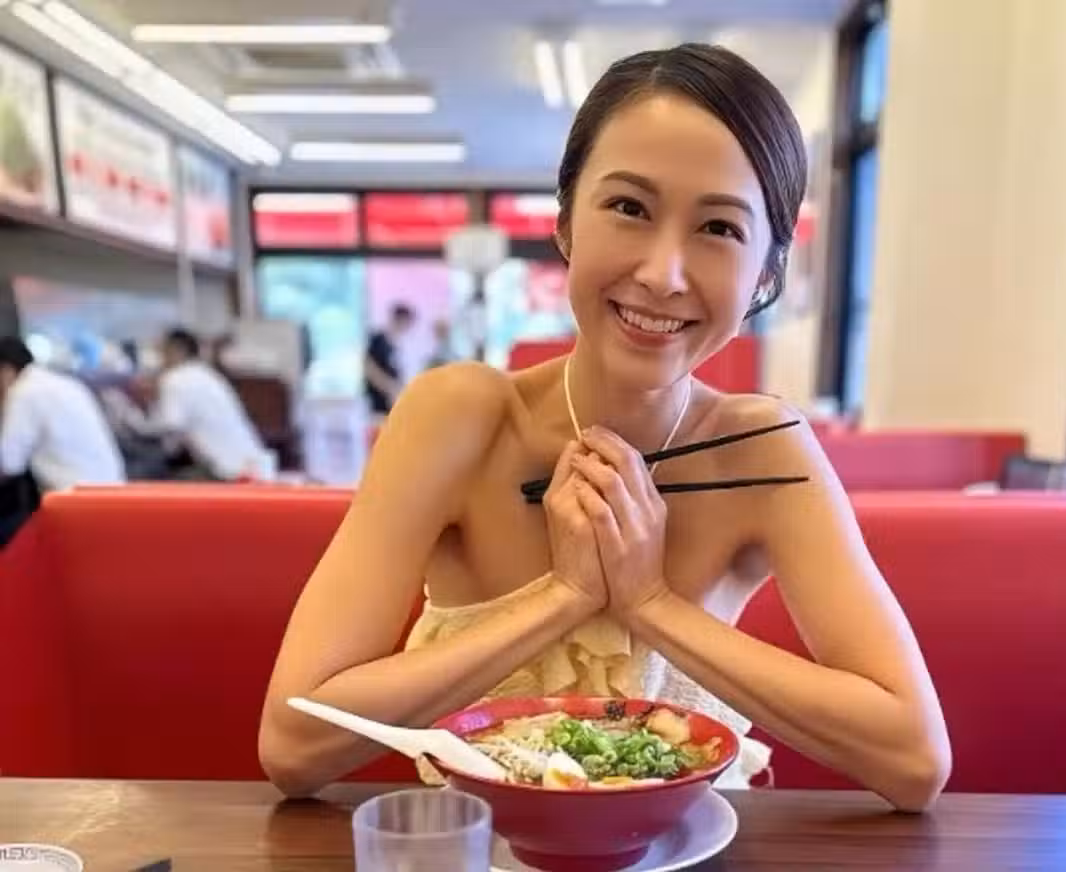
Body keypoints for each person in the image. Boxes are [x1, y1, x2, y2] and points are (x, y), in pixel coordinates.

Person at [259, 44, 950, 810]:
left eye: (719, 228)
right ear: (565, 224)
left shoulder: (763, 452)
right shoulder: (461, 418)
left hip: (692, 849)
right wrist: (565, 595)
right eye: (629, 208)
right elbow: (293, 744)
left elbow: (915, 761)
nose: (662, 273)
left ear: (765, 273)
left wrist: (649, 602)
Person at [0, 337, 125, 544]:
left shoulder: (23, 392)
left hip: (74, 505)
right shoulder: (65, 383)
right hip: (109, 495)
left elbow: (8, 463)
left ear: (5, 370)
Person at [114, 328, 268, 481]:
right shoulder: (206, 374)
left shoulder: (175, 378)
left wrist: (130, 415)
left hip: (225, 473)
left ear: (176, 350)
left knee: (145, 478)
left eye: (161, 351)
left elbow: (168, 427)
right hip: (248, 466)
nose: (159, 361)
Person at [364, 304, 415, 415]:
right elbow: (369, 368)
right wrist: (389, 387)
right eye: (406, 323)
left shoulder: (396, 344)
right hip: (378, 402)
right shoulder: (378, 340)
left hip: (392, 402)